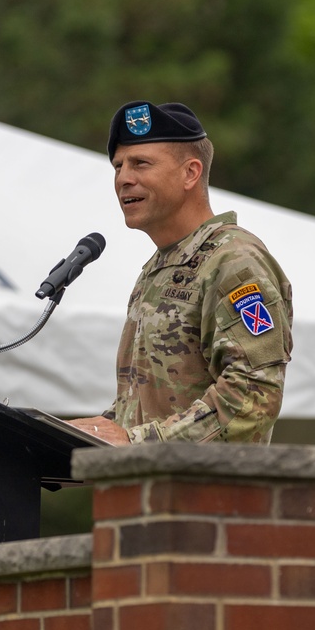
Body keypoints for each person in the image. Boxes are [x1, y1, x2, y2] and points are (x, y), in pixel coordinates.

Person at [68, 100, 292, 445]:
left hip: (209, 495)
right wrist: (86, 433)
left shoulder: (234, 261)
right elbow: (149, 408)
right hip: (150, 491)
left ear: (190, 173)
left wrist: (136, 443)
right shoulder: (160, 269)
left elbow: (253, 394)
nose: (124, 179)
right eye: (118, 167)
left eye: (140, 164)